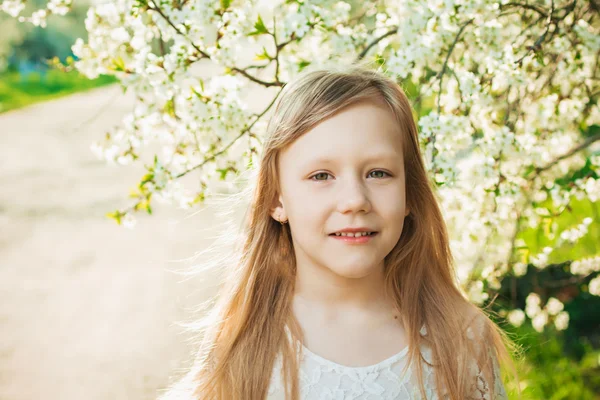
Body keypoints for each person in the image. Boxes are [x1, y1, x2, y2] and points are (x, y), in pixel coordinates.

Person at [158, 61, 517, 400]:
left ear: (409, 193)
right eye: (321, 176)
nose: (354, 200)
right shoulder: (243, 345)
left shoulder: (461, 339)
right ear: (275, 199)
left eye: (378, 173)